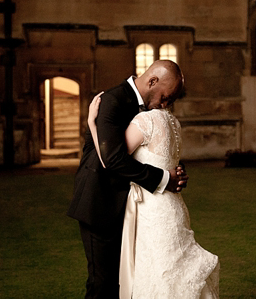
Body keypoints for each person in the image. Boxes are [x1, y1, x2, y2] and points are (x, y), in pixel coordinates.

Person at [67, 60, 189, 299]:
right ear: (152, 81)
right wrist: (165, 178)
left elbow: (149, 150)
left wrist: (176, 170)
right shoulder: (112, 100)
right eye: (165, 97)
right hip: (99, 202)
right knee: (102, 283)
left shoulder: (151, 111)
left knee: (124, 282)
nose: (166, 105)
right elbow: (112, 159)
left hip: (130, 207)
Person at [88, 88, 220, 299]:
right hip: (172, 205)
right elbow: (167, 161)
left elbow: (110, 160)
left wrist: (92, 125)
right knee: (170, 271)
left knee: (158, 274)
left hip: (151, 209)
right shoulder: (174, 122)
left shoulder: (145, 121)